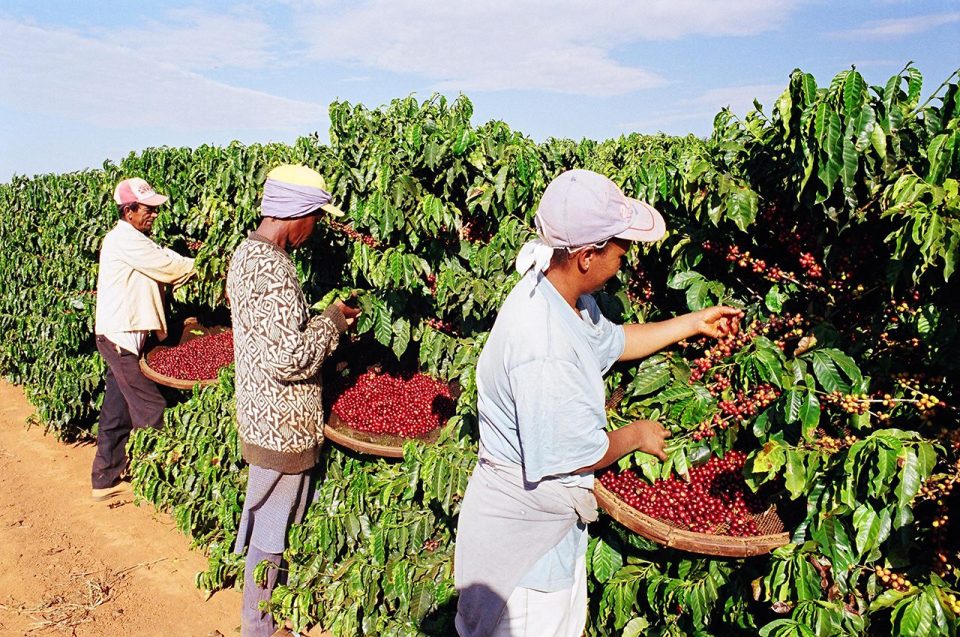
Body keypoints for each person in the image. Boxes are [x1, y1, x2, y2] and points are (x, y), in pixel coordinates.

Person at [454, 169, 742, 637]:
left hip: (548, 532)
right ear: (587, 256)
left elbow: (614, 341)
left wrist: (693, 323)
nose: (624, 263)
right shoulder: (543, 343)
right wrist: (636, 435)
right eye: (621, 251)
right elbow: (575, 454)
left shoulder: (561, 295)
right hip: (524, 554)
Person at [227, 164, 360, 637]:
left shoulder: (246, 253)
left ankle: (260, 621)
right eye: (316, 217)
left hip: (262, 416)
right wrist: (333, 322)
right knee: (271, 531)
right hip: (282, 427)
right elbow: (290, 357)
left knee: (269, 525)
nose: (316, 228)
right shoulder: (273, 269)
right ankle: (258, 626)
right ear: (297, 213)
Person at [92, 178, 196, 501]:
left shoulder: (137, 238)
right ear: (129, 211)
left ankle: (103, 479)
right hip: (120, 340)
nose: (154, 214)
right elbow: (167, 265)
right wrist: (207, 266)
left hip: (122, 338)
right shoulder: (124, 239)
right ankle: (164, 485)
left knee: (116, 409)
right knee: (152, 409)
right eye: (147, 209)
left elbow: (162, 257)